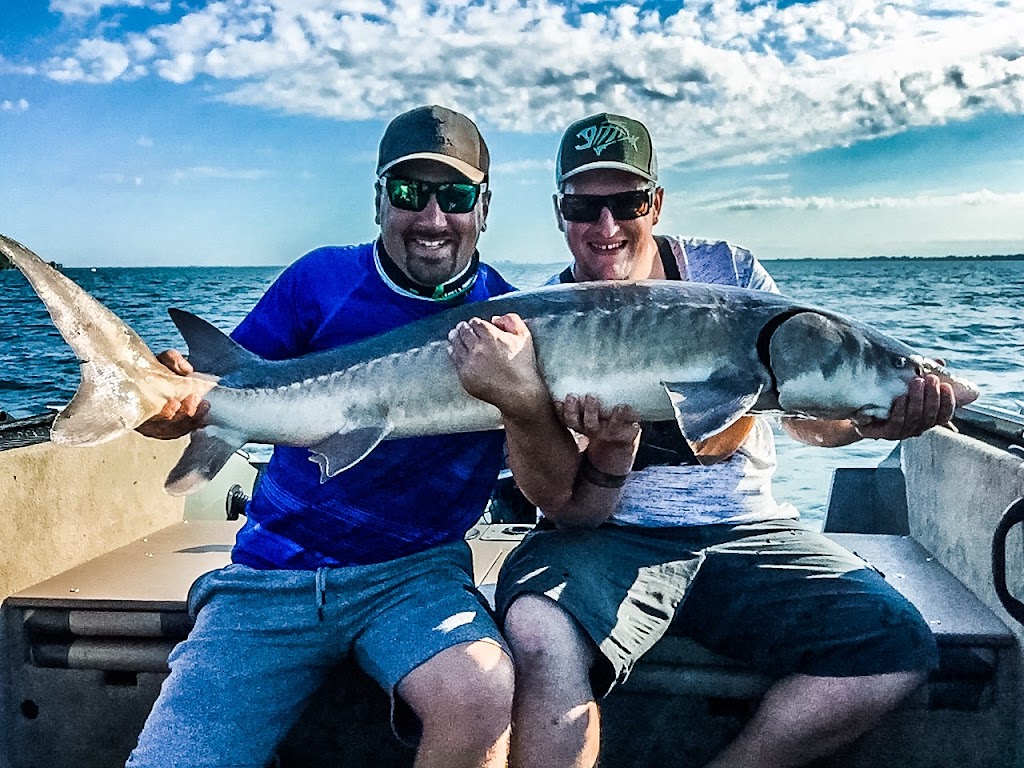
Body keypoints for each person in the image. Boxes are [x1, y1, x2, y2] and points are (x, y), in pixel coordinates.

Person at [489, 113, 956, 768]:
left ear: (656, 201)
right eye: (583, 206)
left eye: (626, 202)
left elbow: (805, 416)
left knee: (897, 647)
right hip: (605, 539)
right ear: (559, 211)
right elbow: (558, 499)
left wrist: (865, 417)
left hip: (748, 530)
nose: (605, 226)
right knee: (536, 631)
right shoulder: (539, 318)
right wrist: (591, 442)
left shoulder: (727, 271)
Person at [127, 105, 569, 768]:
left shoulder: (511, 325)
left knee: (481, 692)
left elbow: (556, 492)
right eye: (407, 193)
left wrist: (528, 402)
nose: (432, 218)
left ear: (484, 206)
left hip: (416, 579)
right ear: (378, 200)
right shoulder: (319, 282)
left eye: (454, 196)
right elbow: (212, 393)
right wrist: (159, 403)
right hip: (271, 574)